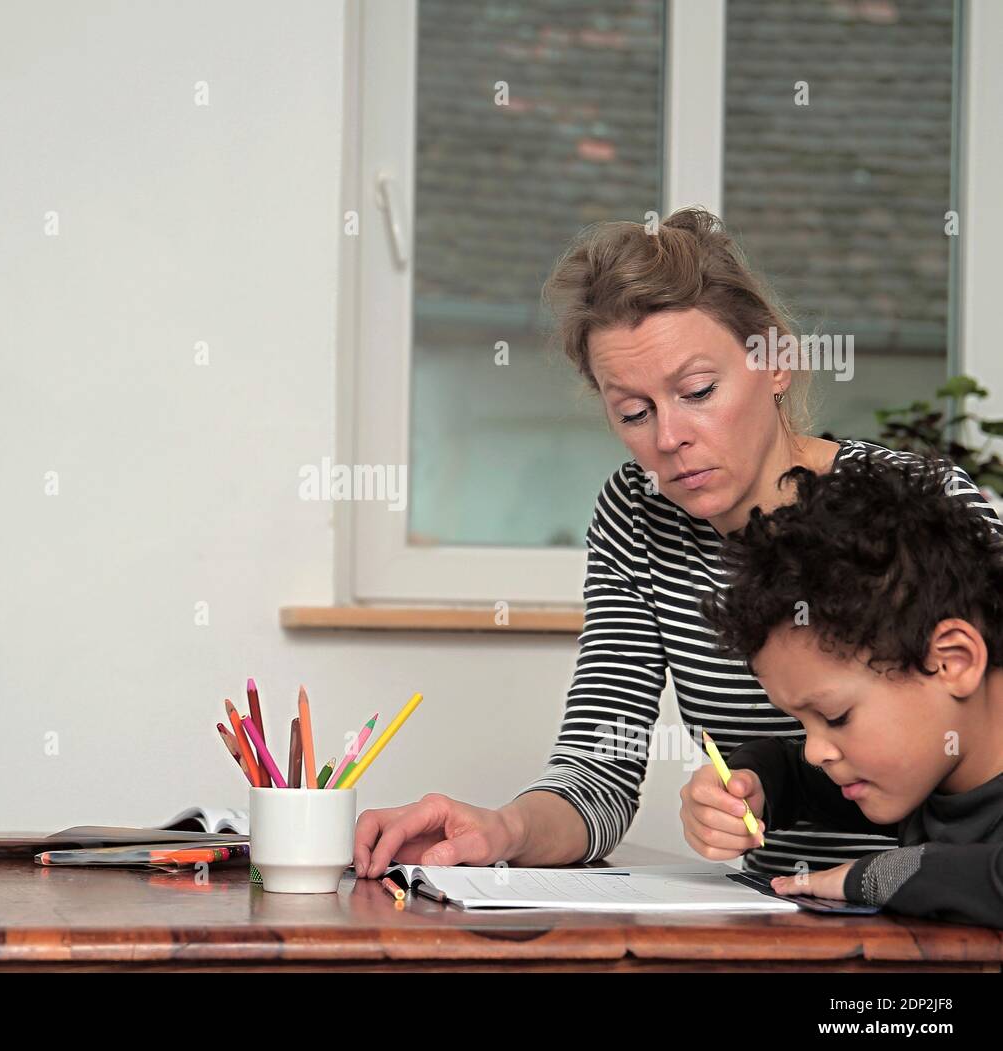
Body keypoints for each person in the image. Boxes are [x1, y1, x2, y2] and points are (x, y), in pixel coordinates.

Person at [353, 207, 1001, 881]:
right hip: (767, 910)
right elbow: (601, 770)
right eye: (633, 412)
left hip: (938, 911)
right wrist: (502, 829)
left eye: (697, 391)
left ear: (776, 363)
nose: (668, 439)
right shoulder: (637, 515)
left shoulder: (915, 504)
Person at [682, 453, 1003, 926]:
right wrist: (753, 784)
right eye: (800, 721)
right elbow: (799, 775)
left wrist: (875, 876)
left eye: (835, 717)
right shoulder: (928, 770)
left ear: (952, 660)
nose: (815, 751)